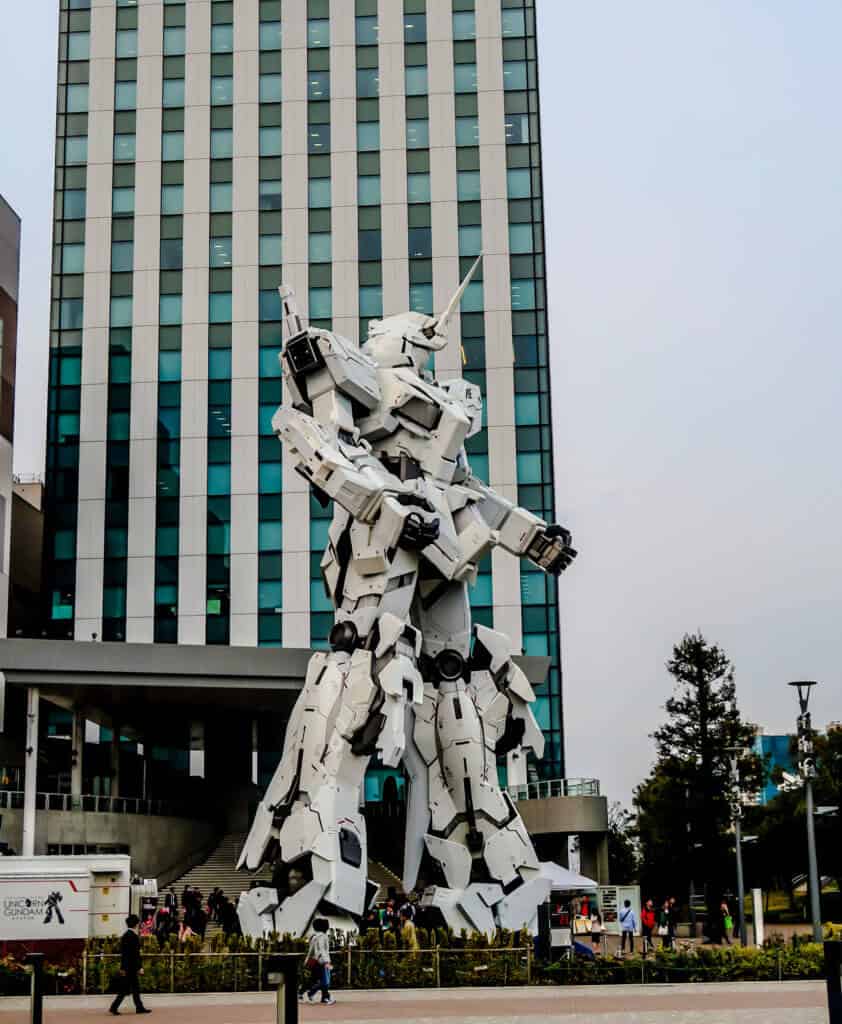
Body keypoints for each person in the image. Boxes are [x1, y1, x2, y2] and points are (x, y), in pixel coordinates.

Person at [109, 914, 151, 1015]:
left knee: (132, 988)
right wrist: (140, 967)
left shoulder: (125, 936)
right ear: (136, 924)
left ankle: (138, 1007)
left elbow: (124, 954)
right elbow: (135, 954)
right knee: (128, 989)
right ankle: (115, 1007)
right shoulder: (134, 937)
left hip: (127, 967)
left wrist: (123, 967)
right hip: (132, 967)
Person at [300, 918, 334, 1006]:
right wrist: (327, 962)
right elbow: (323, 950)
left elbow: (310, 950)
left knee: (314, 980)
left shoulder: (314, 937)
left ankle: (302, 993)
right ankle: (323, 997)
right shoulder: (324, 937)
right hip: (322, 962)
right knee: (325, 981)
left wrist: (306, 960)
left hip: (315, 961)